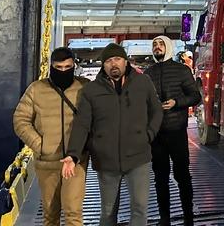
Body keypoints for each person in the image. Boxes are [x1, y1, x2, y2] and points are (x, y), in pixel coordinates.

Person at [64, 43, 163, 226]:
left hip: (138, 157)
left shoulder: (143, 82)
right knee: (108, 212)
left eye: (117, 59)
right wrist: (73, 154)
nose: (113, 64)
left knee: (140, 208)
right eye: (108, 61)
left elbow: (156, 111)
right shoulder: (91, 90)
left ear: (125, 61)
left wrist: (148, 135)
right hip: (106, 160)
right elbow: (82, 124)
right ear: (103, 65)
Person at [13, 47, 88, 226]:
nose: (63, 71)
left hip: (76, 162)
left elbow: (97, 117)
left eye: (67, 67)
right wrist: (41, 145)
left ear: (74, 66)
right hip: (47, 163)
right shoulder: (36, 89)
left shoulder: (85, 87)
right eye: (58, 68)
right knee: (50, 214)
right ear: (51, 67)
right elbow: (20, 120)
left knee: (73, 213)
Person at [144, 36, 201, 226]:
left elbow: (195, 96)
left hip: (177, 132)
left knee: (182, 176)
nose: (157, 47)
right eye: (154, 45)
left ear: (167, 47)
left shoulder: (182, 70)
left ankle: (188, 217)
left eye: (161, 44)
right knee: (160, 178)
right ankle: (164, 219)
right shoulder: (148, 73)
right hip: (157, 134)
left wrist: (176, 102)